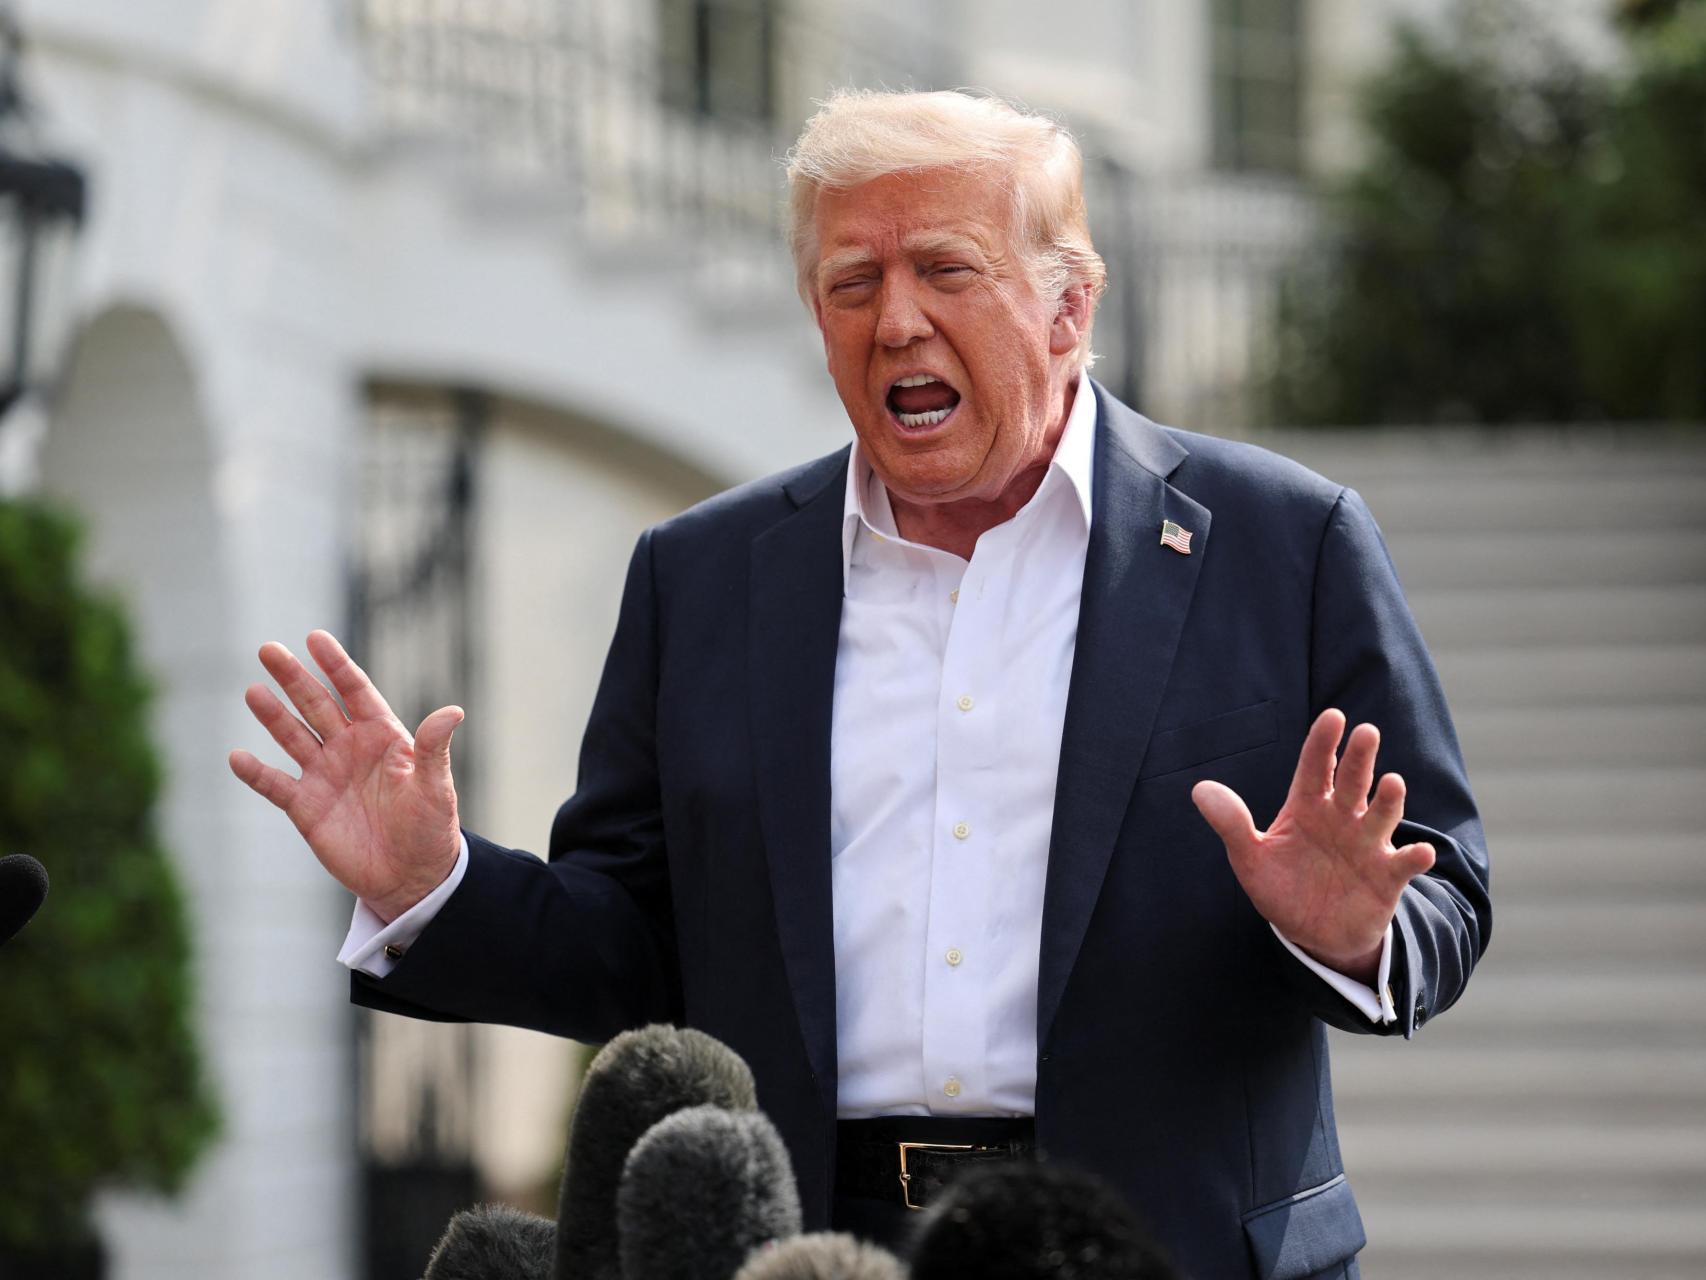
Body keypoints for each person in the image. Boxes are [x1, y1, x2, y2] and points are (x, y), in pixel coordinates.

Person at [230, 90, 1489, 1279]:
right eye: (850, 282)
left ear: (1066, 306)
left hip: (1166, 1239)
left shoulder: (1282, 541)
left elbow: (1445, 886)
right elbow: (633, 947)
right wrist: (428, 887)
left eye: (943, 269)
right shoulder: (703, 576)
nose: (892, 321)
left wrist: (1358, 933)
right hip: (816, 1245)